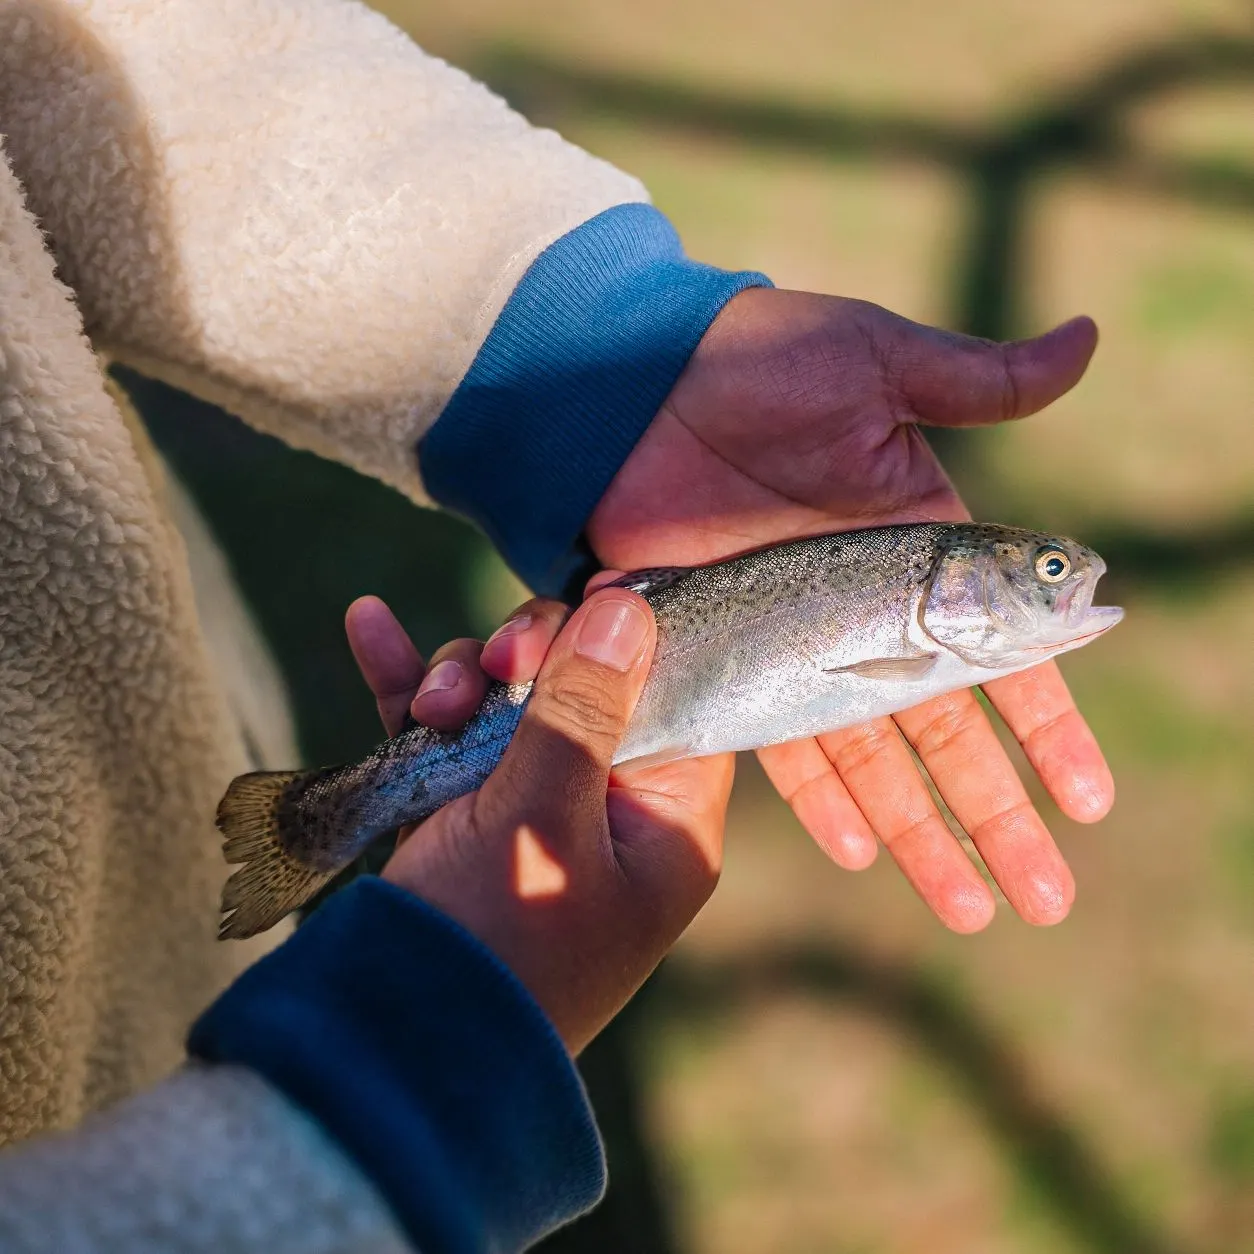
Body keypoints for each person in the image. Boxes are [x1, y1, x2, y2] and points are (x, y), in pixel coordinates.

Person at [0, 0, 1113, 1248]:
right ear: (951, 589)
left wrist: (615, 364)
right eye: (1044, 571)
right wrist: (406, 1059)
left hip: (161, 938)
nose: (1063, 582)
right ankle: (324, 821)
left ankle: (317, 819)